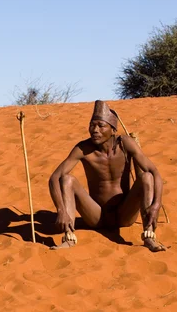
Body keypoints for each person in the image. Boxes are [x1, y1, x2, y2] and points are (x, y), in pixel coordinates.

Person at [48, 100, 166, 252]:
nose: (95, 130)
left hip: (124, 214)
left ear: (113, 130)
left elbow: (155, 172)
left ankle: (149, 236)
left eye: (101, 125)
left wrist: (156, 205)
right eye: (92, 125)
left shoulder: (126, 144)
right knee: (67, 180)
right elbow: (54, 178)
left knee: (146, 177)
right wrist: (61, 210)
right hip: (96, 216)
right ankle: (69, 237)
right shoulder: (83, 148)